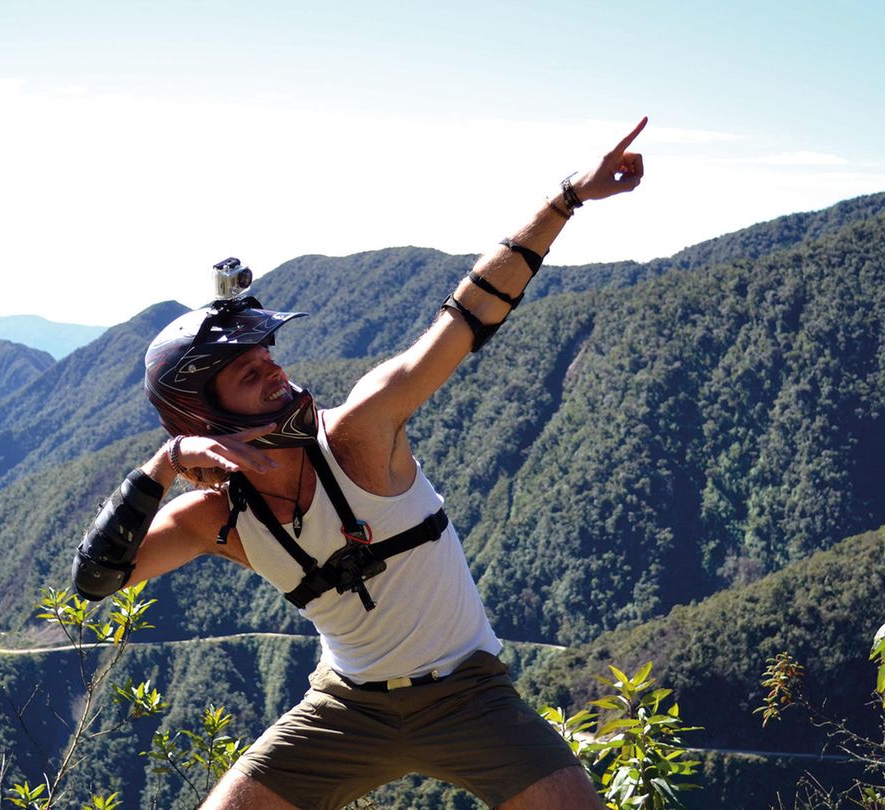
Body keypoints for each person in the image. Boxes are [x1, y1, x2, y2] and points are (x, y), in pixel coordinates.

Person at [73, 118, 647, 809]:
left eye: (269, 357)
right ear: (204, 413)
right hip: (343, 709)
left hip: (470, 695)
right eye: (248, 372)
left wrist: (567, 197)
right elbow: (97, 581)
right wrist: (163, 466)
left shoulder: (361, 434)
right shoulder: (212, 517)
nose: (275, 373)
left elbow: (469, 315)